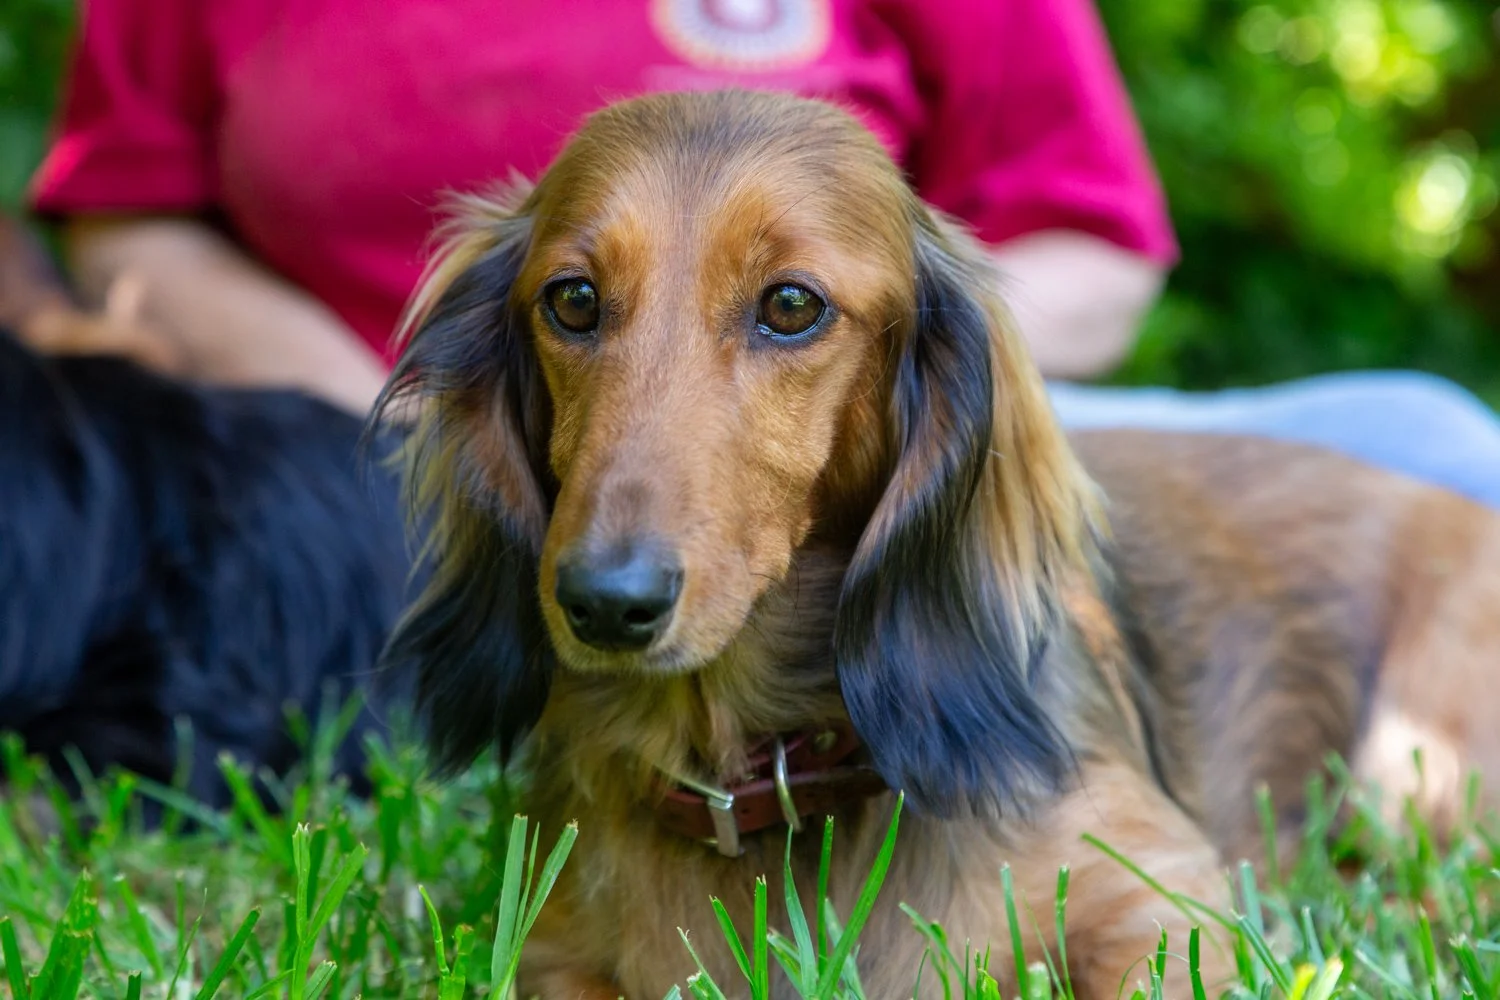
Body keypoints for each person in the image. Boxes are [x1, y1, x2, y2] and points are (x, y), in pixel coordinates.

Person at [23, 0, 1500, 508]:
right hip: (426, 454)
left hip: (861, 452)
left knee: (1433, 449)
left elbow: (1093, 247)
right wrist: (381, 419)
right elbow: (129, 216)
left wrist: (846, 380)